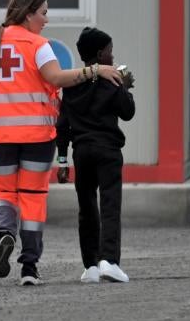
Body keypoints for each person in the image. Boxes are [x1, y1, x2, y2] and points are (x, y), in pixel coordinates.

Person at [0, 0, 122, 286]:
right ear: (28, 15)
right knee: (33, 199)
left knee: (1, 193)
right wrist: (95, 70)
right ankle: (29, 268)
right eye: (44, 13)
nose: (47, 20)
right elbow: (57, 78)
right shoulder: (39, 46)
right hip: (37, 136)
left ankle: (4, 233)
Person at [55, 27, 135, 283]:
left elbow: (62, 126)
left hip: (81, 153)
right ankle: (109, 261)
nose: (113, 57)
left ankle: (90, 266)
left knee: (87, 208)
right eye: (110, 52)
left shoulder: (71, 85)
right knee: (110, 205)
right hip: (108, 151)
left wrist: (63, 160)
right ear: (101, 54)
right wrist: (125, 87)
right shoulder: (111, 80)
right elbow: (128, 112)